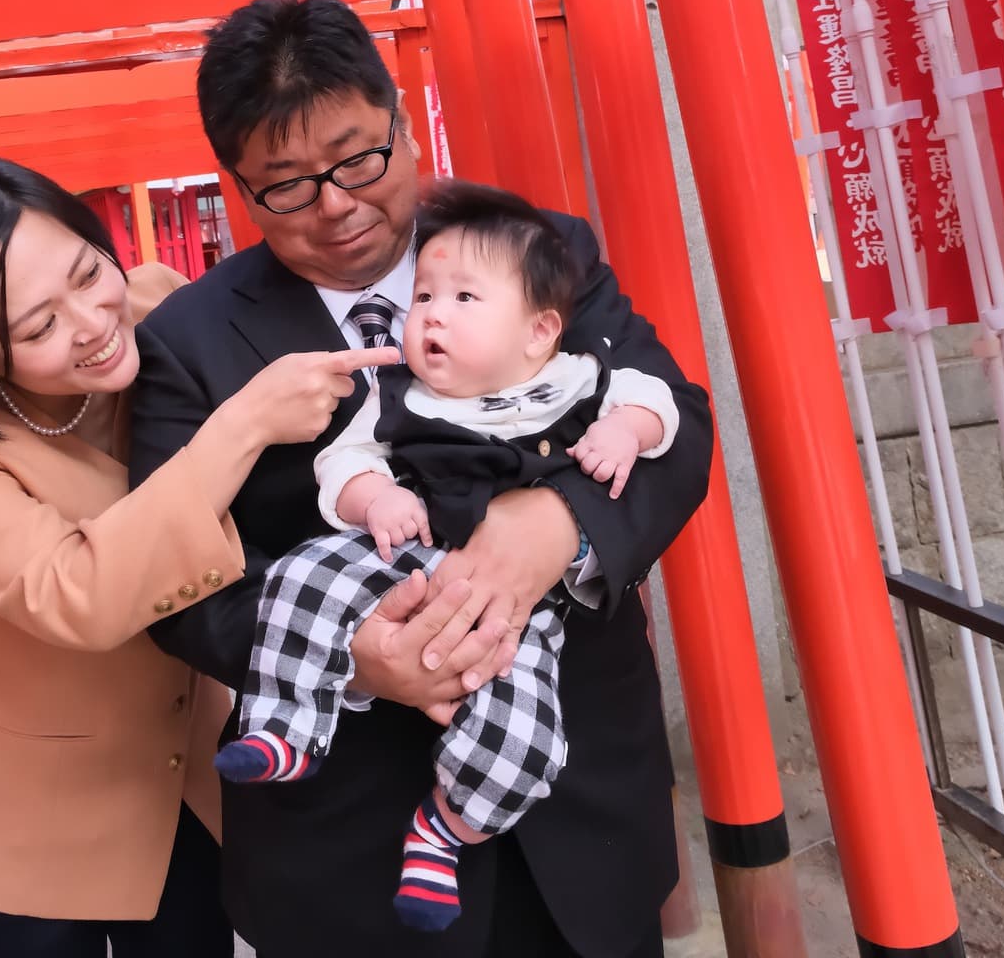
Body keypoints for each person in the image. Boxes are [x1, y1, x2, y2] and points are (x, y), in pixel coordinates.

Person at [128, 0, 714, 958]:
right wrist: (351, 653)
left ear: (399, 116)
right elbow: (177, 585)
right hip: (346, 846)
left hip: (581, 802)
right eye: (288, 184)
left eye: (360, 157)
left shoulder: (541, 250)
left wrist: (556, 528)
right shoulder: (186, 344)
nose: (339, 204)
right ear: (237, 183)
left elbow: (675, 421)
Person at [0, 155, 390, 958]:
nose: (91, 322)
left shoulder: (161, 309)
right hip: (31, 811)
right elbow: (74, 592)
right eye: (37, 326)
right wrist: (243, 425)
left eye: (88, 270)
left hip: (189, 779)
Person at [214, 181, 679, 935]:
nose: (431, 310)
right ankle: (288, 725)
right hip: (403, 567)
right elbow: (347, 463)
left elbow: (661, 402)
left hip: (527, 623)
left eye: (464, 299)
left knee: (524, 733)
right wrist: (375, 501)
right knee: (300, 581)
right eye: (425, 294)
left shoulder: (572, 374)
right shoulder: (396, 392)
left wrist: (622, 435)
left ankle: (444, 830)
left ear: (538, 332)